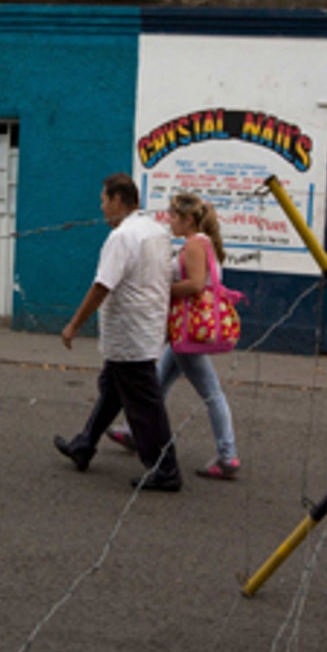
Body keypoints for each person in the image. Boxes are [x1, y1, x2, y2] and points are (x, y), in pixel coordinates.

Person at [53, 173, 183, 492]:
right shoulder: (157, 230)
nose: (101, 208)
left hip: (130, 333)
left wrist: (74, 324)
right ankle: (84, 444)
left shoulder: (122, 237)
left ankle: (165, 468)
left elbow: (103, 285)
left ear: (118, 200)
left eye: (103, 200)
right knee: (112, 389)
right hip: (146, 327)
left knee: (144, 404)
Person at [106, 191, 242, 479]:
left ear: (189, 219)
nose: (169, 221)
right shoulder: (202, 242)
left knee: (211, 392)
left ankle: (228, 455)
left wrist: (161, 291)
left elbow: (194, 285)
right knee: (157, 383)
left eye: (174, 216)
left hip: (188, 331)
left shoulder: (194, 244)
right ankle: (133, 432)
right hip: (186, 331)